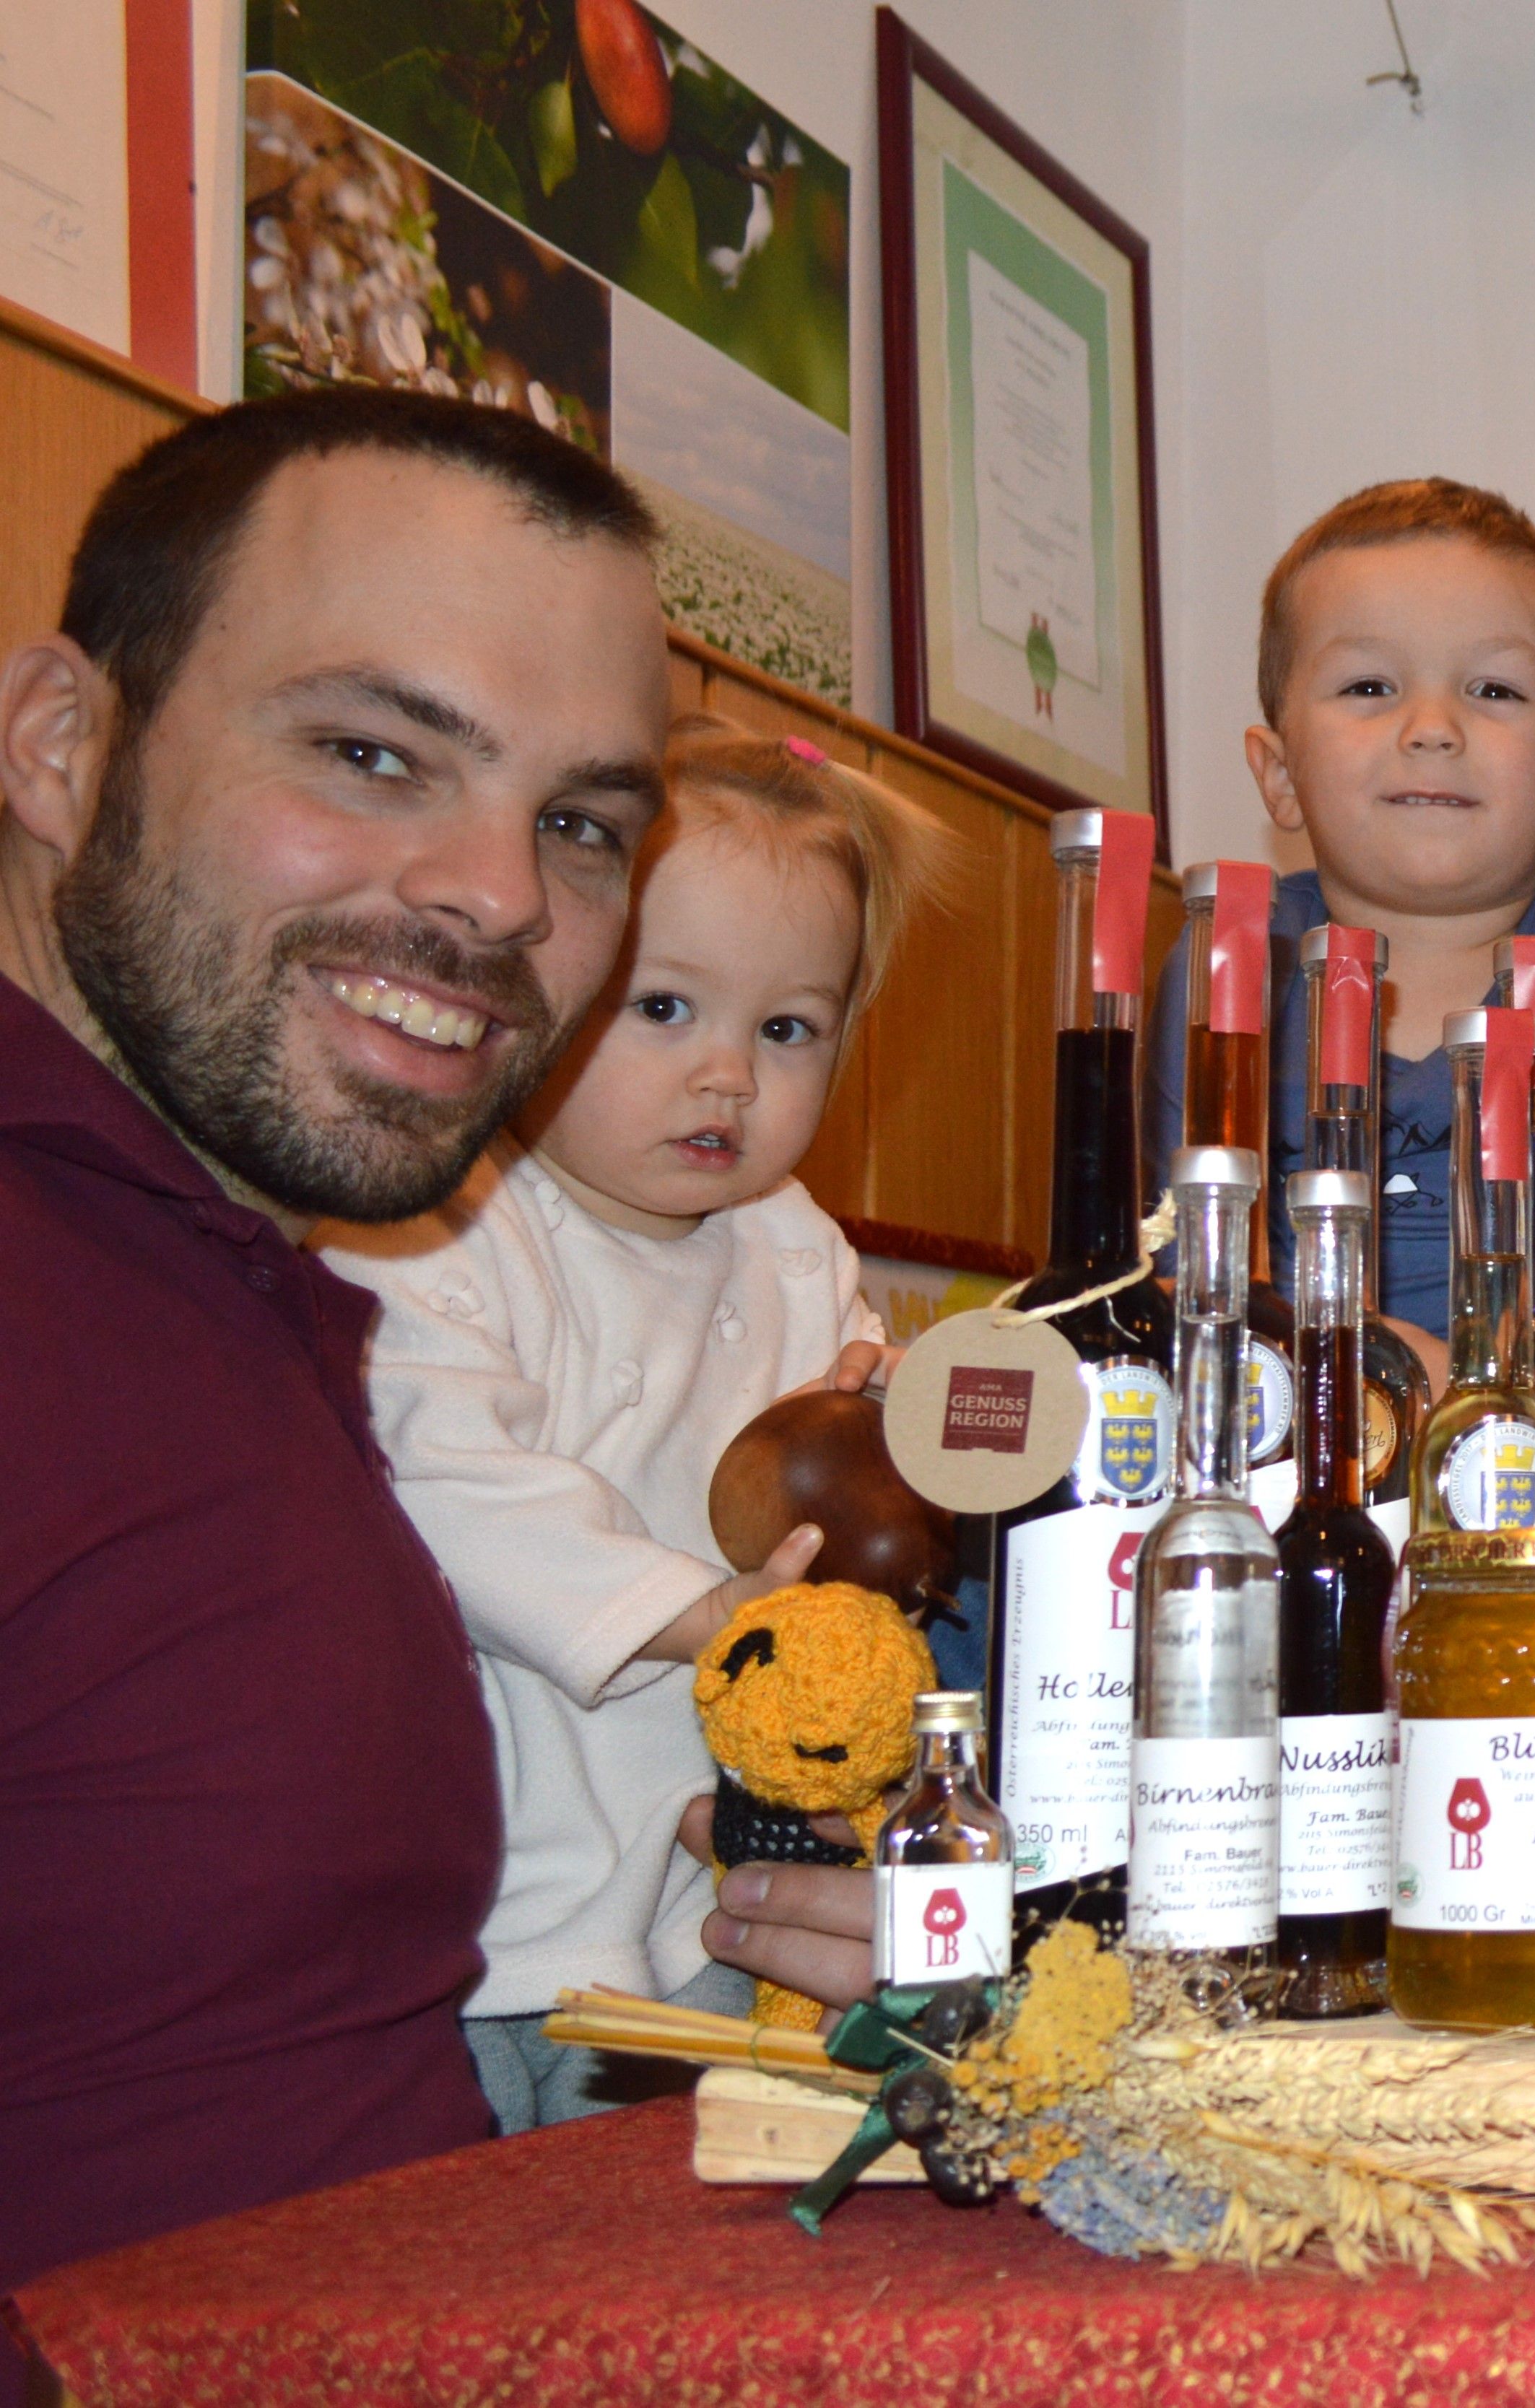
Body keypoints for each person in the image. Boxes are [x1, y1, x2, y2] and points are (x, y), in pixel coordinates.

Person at [0, 387, 669, 2286]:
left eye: (582, 823)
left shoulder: (222, 1275)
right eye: (377, 753)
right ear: (63, 743)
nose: (503, 894)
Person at [322, 727, 939, 2133]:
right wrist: (703, 1610)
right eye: (665, 1010)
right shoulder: (447, 1220)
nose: (727, 1075)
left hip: (698, 1909)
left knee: (686, 2251)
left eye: (785, 1030)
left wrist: (879, 1450)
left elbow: (824, 1503)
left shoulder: (793, 1248)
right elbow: (446, 1478)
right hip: (484, 1921)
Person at [1148, 479, 1535, 1365]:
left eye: (1494, 690)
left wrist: (1499, 1386)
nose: (1433, 728)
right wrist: (1363, 1372)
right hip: (1288, 1427)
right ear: (1276, 773)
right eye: (1371, 685)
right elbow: (1178, 1252)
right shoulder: (1232, 954)